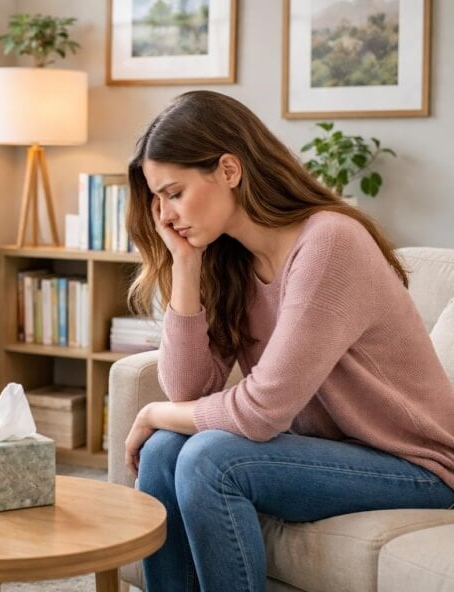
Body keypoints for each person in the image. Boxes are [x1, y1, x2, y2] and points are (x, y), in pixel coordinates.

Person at [123, 90, 454, 592]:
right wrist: (185, 267)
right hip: (327, 453)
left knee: (207, 458)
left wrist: (150, 414)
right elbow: (187, 388)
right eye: (158, 200)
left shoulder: (328, 242)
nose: (165, 215)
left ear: (229, 170)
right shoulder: (229, 257)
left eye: (175, 192)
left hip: (417, 466)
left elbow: (260, 413)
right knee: (164, 451)